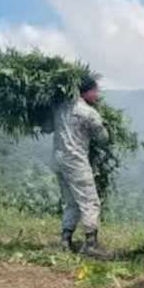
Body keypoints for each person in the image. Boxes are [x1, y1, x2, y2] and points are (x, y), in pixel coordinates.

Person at [53, 75, 110, 259]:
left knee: (72, 202)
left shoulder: (61, 108)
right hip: (76, 161)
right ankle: (91, 244)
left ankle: (65, 240)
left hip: (59, 160)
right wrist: (105, 128)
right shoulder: (88, 112)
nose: (97, 94)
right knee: (90, 201)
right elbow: (103, 139)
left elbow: (47, 127)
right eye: (96, 91)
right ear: (87, 91)